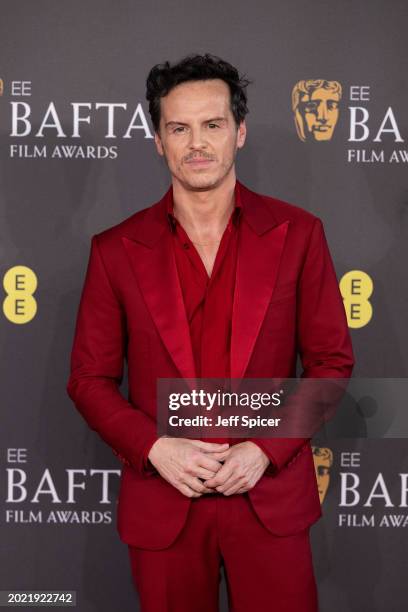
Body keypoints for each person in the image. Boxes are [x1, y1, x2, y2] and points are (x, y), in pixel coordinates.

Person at [66, 53, 354, 612]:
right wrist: (154, 448)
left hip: (269, 500)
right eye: (179, 127)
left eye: (213, 124)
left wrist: (264, 450)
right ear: (158, 140)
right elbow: (88, 379)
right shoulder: (114, 251)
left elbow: (331, 364)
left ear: (239, 132)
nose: (197, 143)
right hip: (165, 502)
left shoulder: (298, 234)